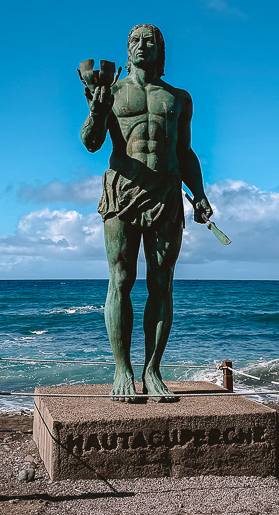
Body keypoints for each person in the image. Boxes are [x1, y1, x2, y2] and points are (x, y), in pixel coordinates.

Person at [79, 24, 212, 402]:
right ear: (126, 50)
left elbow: (185, 153)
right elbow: (91, 143)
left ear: (160, 50)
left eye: (149, 41)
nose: (142, 46)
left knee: (162, 283)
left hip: (167, 192)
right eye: (135, 41)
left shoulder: (179, 98)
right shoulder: (112, 92)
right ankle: (122, 370)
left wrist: (199, 194)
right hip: (123, 188)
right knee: (121, 279)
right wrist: (97, 110)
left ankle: (152, 370)